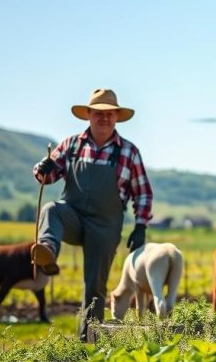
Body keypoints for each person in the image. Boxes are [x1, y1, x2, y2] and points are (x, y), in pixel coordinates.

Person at [32, 88, 153, 340]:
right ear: (88, 115)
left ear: (117, 117)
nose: (105, 118)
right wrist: (42, 167)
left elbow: (142, 193)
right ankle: (47, 252)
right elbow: (48, 176)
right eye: (99, 113)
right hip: (73, 216)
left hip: (105, 227)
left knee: (95, 288)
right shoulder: (71, 145)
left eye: (110, 114)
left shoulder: (128, 152)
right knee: (50, 209)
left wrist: (140, 226)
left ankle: (89, 341)